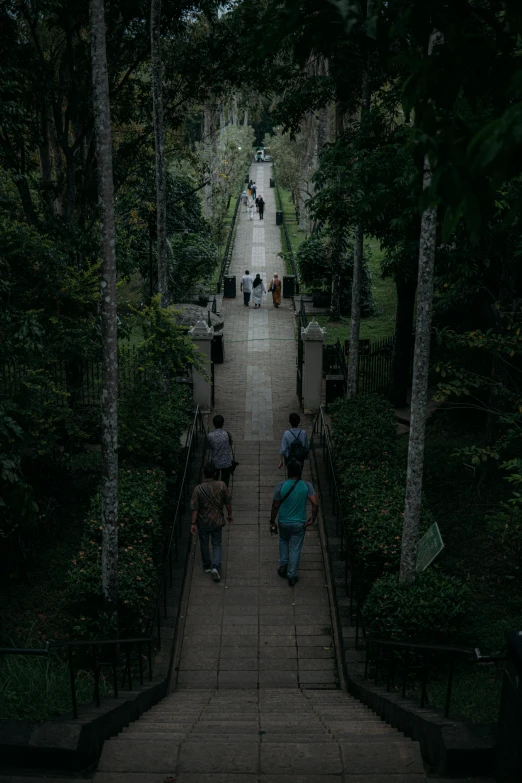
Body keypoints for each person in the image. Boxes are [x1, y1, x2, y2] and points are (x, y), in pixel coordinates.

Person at [270, 459, 318, 587]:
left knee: (283, 541)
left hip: (283, 521)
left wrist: (272, 521)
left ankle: (283, 565)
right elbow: (315, 503)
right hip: (299, 524)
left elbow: (275, 506)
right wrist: (312, 518)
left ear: (288, 471)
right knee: (295, 548)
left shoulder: (280, 486)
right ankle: (291, 575)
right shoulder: (306, 486)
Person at [191, 462, 233, 582]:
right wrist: (229, 514)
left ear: (204, 472)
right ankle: (216, 565)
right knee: (217, 543)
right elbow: (227, 502)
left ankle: (207, 565)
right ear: (215, 473)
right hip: (217, 521)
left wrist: (193, 523)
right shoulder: (221, 485)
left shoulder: (198, 489)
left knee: (204, 543)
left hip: (203, 521)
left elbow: (195, 508)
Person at [207, 414, 234, 486]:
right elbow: (230, 443)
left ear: (213, 424)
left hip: (215, 462)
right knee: (225, 481)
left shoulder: (210, 436)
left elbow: (209, 446)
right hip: (226, 461)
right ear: (223, 424)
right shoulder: (227, 434)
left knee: (214, 481)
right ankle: (223, 493)